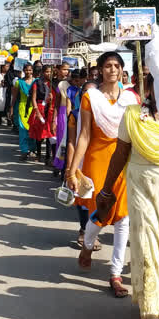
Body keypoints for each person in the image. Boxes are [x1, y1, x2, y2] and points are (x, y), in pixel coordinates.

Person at [96, 73, 159, 319]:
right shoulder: (132, 114)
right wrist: (106, 190)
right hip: (140, 186)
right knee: (149, 246)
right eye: (157, 85)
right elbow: (120, 153)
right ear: (148, 88)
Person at [67, 52, 138, 297]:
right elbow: (84, 135)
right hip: (97, 159)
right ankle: (87, 245)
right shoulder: (90, 97)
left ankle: (115, 274)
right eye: (108, 65)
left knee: (123, 219)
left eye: (117, 66)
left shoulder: (131, 98)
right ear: (100, 70)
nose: (112, 69)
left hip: (124, 161)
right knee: (99, 211)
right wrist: (73, 170)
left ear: (122, 70)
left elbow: (137, 133)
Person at [66, 79, 102, 250]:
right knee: (83, 198)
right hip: (80, 161)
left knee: (98, 199)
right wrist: (70, 168)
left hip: (99, 160)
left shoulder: (107, 114)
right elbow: (72, 142)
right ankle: (83, 230)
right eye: (86, 93)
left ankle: (93, 232)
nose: (90, 97)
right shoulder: (74, 114)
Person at [29, 64, 56, 166]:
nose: (48, 74)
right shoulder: (37, 83)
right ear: (42, 72)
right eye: (47, 72)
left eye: (50, 72)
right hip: (40, 108)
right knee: (39, 134)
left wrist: (52, 98)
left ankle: (48, 157)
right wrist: (36, 111)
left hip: (50, 110)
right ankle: (39, 153)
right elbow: (33, 98)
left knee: (49, 133)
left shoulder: (53, 83)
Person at [12, 63, 37, 161]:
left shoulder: (36, 82)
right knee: (23, 130)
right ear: (23, 71)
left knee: (32, 129)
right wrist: (11, 108)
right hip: (22, 108)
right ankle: (24, 151)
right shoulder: (19, 83)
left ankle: (32, 149)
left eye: (30, 70)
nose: (28, 72)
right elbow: (14, 97)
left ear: (33, 71)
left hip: (33, 108)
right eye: (26, 70)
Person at [52, 62, 72, 175]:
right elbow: (57, 104)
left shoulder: (77, 85)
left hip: (73, 114)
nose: (66, 72)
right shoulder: (61, 85)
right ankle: (59, 164)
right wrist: (53, 120)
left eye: (68, 70)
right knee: (61, 140)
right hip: (62, 114)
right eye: (64, 69)